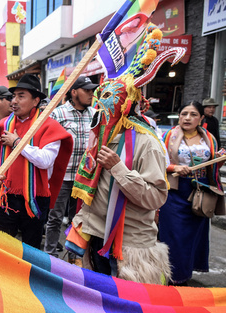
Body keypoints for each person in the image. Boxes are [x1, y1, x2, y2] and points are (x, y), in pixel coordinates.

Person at [67, 77, 171, 285]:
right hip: (96, 237)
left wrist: (118, 168)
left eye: (107, 98)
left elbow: (156, 197)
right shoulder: (98, 138)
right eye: (99, 99)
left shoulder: (147, 143)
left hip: (129, 246)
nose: (99, 107)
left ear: (124, 104)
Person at [0, 74, 73, 249]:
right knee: (3, 247)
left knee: (31, 249)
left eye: (21, 96)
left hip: (35, 198)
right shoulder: (3, 125)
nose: (14, 101)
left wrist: (16, 143)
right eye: (13, 96)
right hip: (5, 197)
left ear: (35, 101)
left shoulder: (50, 126)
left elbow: (45, 161)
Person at [159, 100, 225, 285]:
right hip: (175, 193)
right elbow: (158, 163)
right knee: (174, 236)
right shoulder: (167, 136)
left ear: (201, 118)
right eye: (184, 114)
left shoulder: (209, 138)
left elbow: (213, 166)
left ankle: (184, 274)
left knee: (193, 237)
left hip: (200, 192)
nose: (188, 118)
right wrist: (174, 167)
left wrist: (218, 160)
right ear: (179, 116)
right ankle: (172, 276)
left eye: (193, 114)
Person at [44, 76, 97, 262]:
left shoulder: (95, 115)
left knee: (79, 219)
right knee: (55, 217)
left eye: (92, 90)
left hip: (85, 178)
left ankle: (76, 258)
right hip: (62, 176)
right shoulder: (58, 114)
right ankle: (50, 256)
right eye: (87, 90)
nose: (91, 94)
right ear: (74, 92)